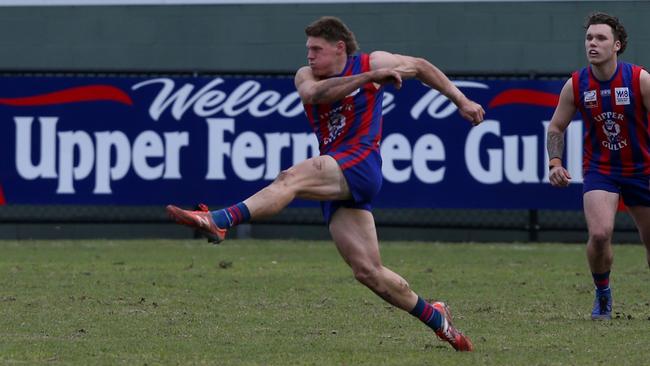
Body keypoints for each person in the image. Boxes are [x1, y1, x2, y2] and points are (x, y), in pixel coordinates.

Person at [167, 16, 485, 350]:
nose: (310, 57)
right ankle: (437, 318)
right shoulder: (310, 76)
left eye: (317, 49)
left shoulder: (373, 61)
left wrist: (460, 100)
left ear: (339, 48)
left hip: (360, 162)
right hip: (337, 168)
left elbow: (419, 66)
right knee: (368, 272)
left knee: (290, 178)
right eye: (308, 49)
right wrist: (370, 78)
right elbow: (315, 94)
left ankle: (219, 220)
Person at [547, 12, 650, 320]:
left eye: (601, 38)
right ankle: (603, 294)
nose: (593, 43)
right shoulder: (576, 84)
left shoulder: (639, 80)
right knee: (601, 233)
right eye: (589, 38)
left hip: (642, 169)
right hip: (601, 170)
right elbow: (555, 128)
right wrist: (554, 162)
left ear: (617, 45)